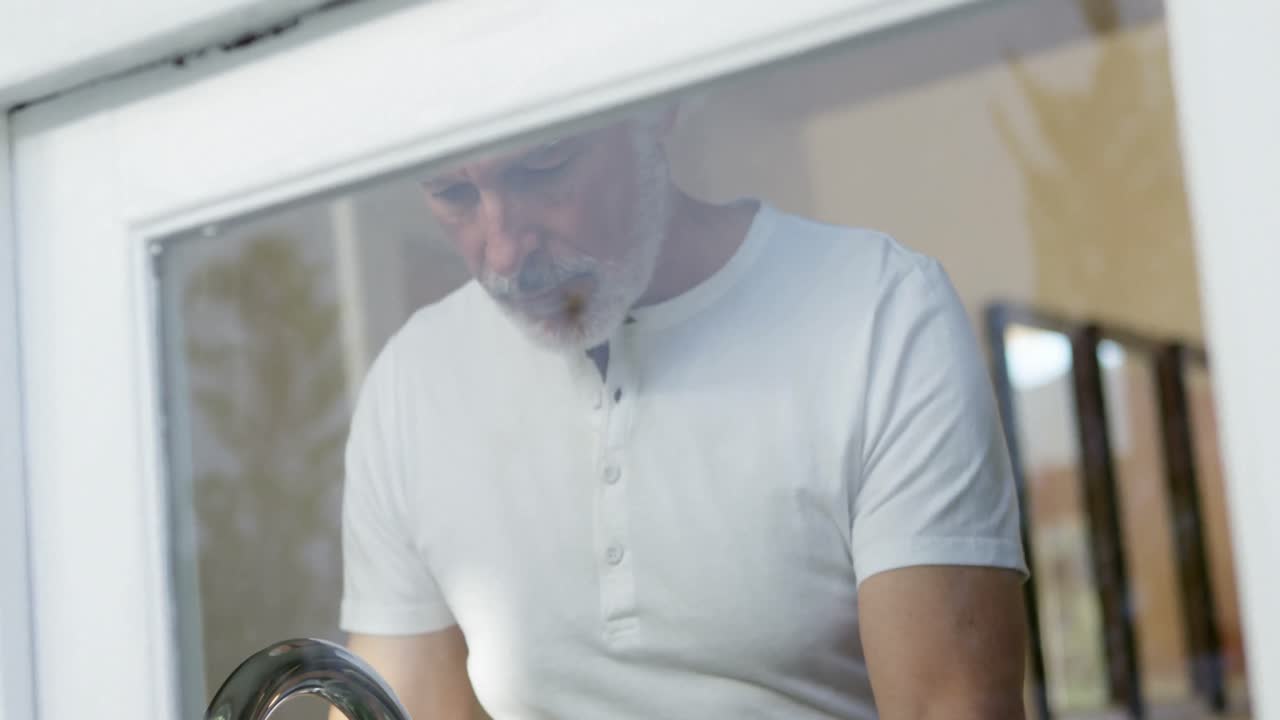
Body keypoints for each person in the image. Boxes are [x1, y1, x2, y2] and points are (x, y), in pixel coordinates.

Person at [335, 108, 1029, 719]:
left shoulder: (880, 311)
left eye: (545, 167)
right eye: (453, 194)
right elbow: (408, 707)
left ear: (656, 106)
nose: (506, 251)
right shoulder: (412, 383)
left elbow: (952, 707)